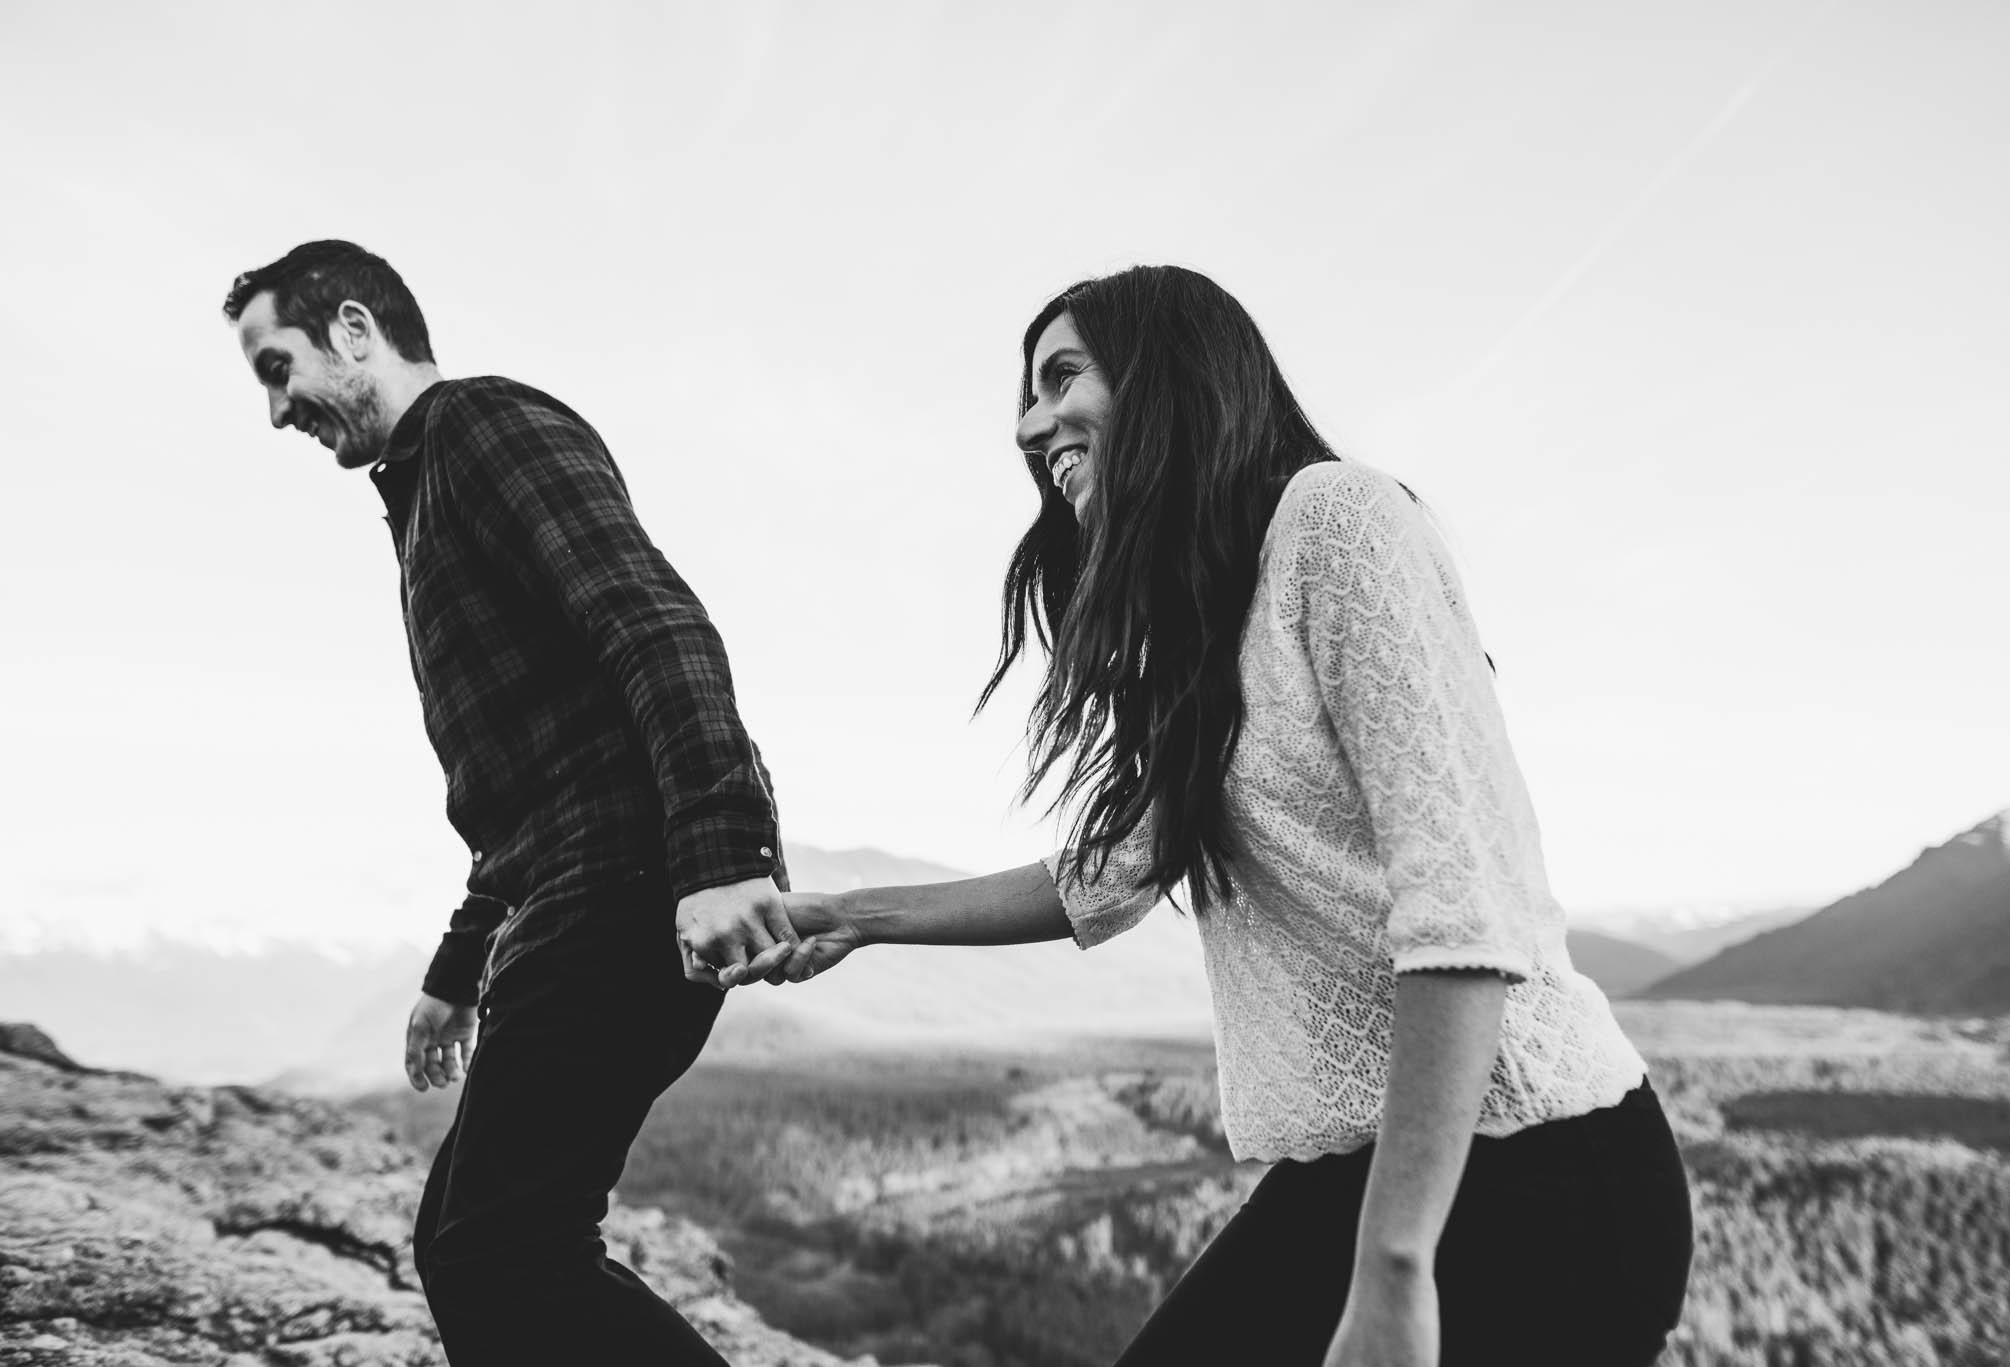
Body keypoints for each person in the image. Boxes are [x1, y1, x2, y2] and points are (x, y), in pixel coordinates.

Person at [748, 266, 1694, 1366]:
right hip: (1359, 1174)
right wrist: (855, 915)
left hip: (1537, 1179)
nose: (1028, 423)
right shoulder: (1211, 621)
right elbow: (1105, 873)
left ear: (1163, 376)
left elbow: (1457, 908)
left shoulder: (1337, 520)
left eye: (1060, 377)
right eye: (1026, 393)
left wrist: (1393, 1271)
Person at [224, 240, 797, 1365]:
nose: (278, 409)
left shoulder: (484, 430)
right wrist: (454, 972)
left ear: (351, 329)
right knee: (467, 1238)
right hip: (578, 885)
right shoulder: (422, 498)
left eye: (275, 369)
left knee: (501, 1244)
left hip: (629, 884)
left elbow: (653, 623)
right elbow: (525, 793)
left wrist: (721, 853)